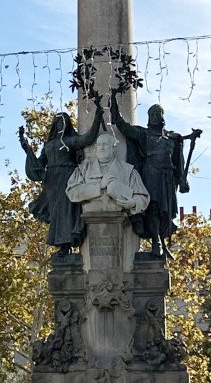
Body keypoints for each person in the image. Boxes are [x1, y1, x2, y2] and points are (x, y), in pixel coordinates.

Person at [110, 92, 201, 258]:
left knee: (165, 213)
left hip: (167, 178)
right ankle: (156, 242)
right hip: (150, 174)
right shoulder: (143, 134)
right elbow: (122, 126)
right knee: (153, 208)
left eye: (156, 114)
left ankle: (162, 244)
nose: (153, 117)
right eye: (151, 114)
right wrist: (114, 103)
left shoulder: (173, 139)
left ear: (162, 117)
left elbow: (178, 162)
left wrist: (183, 180)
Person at [19, 107, 104, 258]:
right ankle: (61, 245)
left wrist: (97, 118)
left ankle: (66, 245)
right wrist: (27, 149)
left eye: (64, 121)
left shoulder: (70, 141)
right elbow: (39, 164)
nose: (61, 124)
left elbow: (88, 138)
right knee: (57, 214)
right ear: (54, 124)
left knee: (67, 212)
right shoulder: (48, 145)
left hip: (67, 179)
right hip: (52, 182)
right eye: (58, 121)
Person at [66, 131, 150, 219]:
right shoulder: (83, 170)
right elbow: (72, 192)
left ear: (113, 148)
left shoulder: (128, 170)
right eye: (99, 145)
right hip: (90, 219)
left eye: (105, 144)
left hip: (121, 220)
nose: (102, 148)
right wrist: (99, 186)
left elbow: (143, 197)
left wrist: (134, 203)